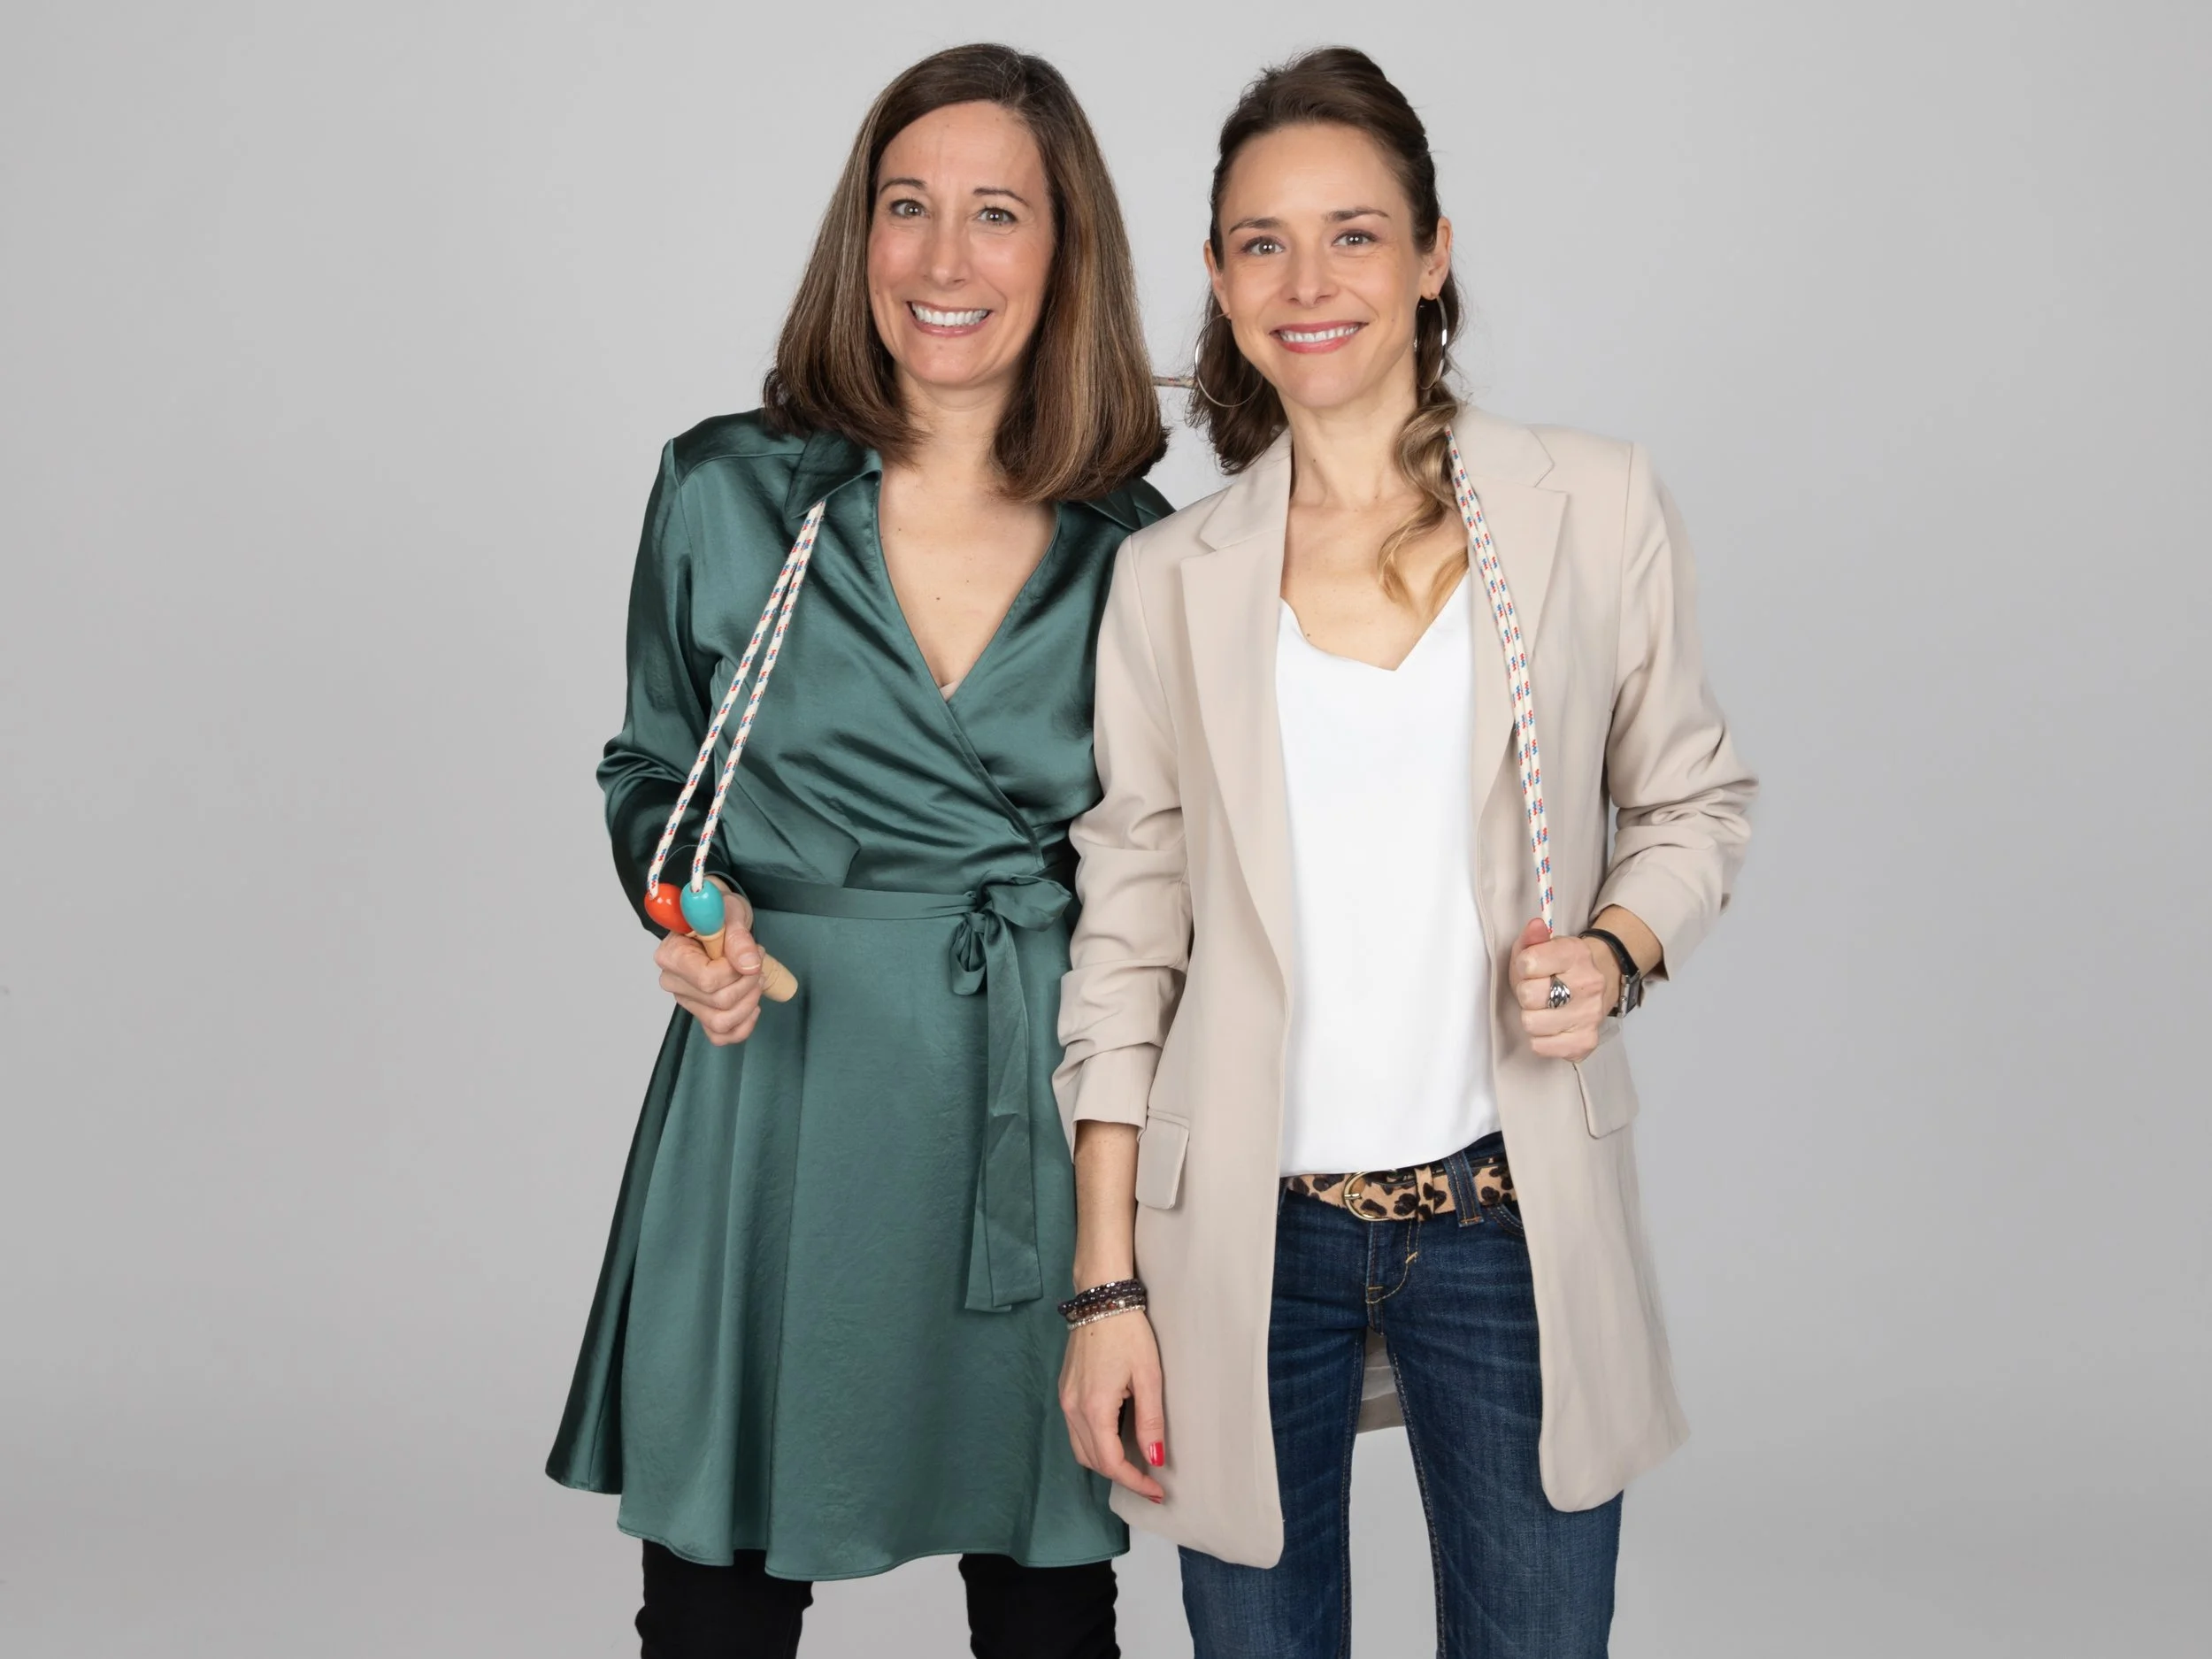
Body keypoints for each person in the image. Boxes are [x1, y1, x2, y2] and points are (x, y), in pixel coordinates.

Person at [1054, 47, 1757, 1658]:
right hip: (1242, 1231)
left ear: (1435, 254)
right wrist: (1106, 1286)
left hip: (1508, 1212)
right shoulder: (1170, 578)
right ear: (1220, 276)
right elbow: (1126, 942)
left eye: (1355, 234)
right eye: (1263, 242)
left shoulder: (1589, 507)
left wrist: (1617, 950)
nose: (1309, 283)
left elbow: (1693, 800)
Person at [545, 42, 1170, 1659]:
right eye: (908, 207)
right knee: (717, 1600)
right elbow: (654, 770)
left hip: (1029, 1104)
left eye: (996, 213)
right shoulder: (726, 491)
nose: (944, 258)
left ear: (1065, 251)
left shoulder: (1144, 553)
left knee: (1050, 1601)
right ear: (860, 233)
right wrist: (691, 911)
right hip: (776, 1084)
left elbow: (1167, 885)